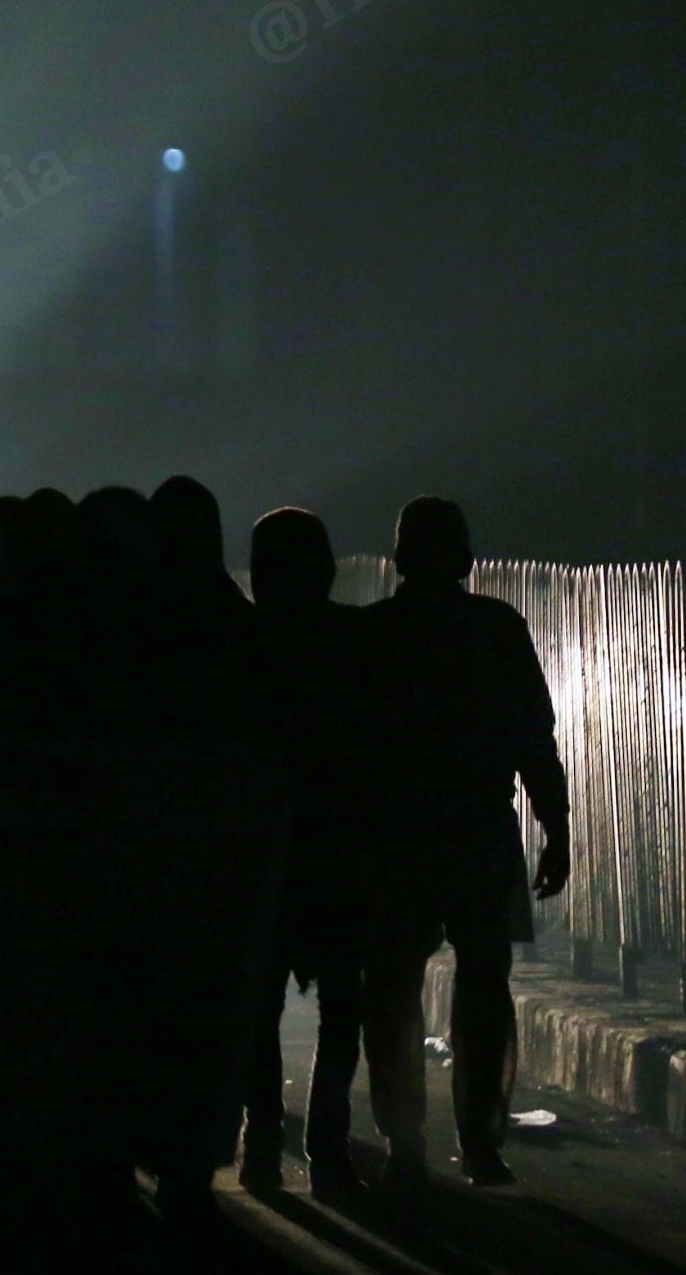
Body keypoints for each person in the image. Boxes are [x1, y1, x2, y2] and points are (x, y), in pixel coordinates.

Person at [362, 496, 570, 1188]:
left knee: (393, 983)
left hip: (396, 834)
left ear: (398, 559)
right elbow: (532, 738)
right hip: (479, 826)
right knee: (483, 985)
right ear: (465, 560)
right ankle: (480, 1139)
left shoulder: (378, 633)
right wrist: (556, 825)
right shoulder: (495, 628)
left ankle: (405, 1138)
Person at [240, 507, 368, 1195]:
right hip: (339, 845)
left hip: (262, 846)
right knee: (341, 1001)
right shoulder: (358, 641)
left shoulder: (242, 643)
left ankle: (263, 1135)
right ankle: (328, 1143)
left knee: (258, 1003)